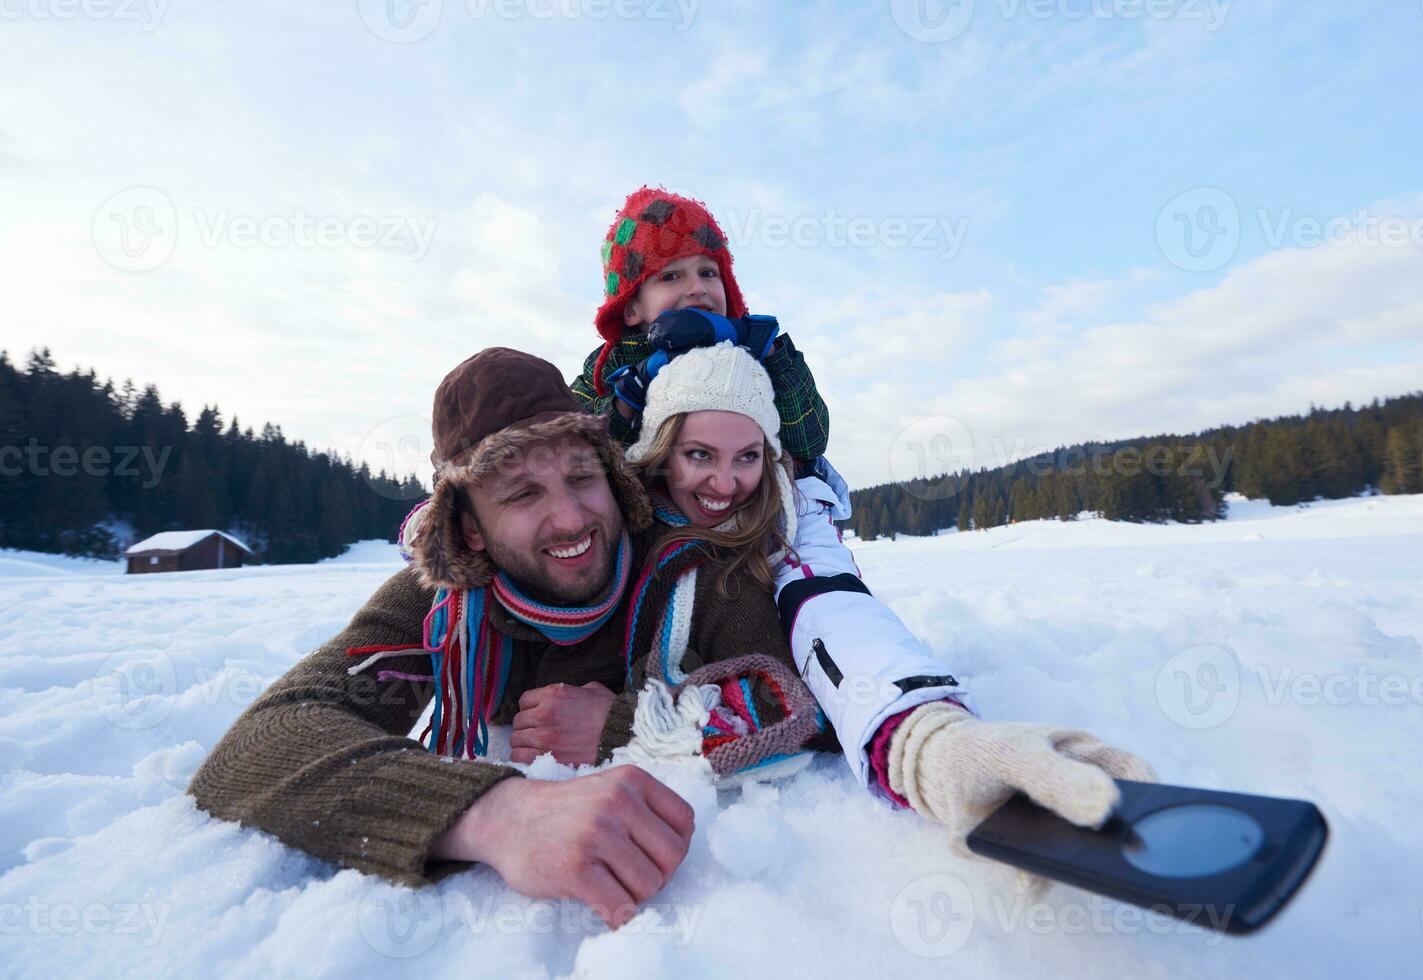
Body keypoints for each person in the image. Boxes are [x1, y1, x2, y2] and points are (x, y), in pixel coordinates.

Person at [187, 347, 835, 929]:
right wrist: (497, 814)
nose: (571, 517)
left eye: (583, 477)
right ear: (470, 529)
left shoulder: (694, 570)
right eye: (523, 492)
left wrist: (627, 726)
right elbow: (267, 737)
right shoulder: (444, 601)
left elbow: (788, 702)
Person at [545, 340, 1158, 843]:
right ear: (660, 451)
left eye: (748, 456)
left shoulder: (752, 563)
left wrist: (927, 745)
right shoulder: (607, 523)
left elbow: (816, 662)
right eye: (699, 454)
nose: (725, 483)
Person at [567, 186, 830, 468]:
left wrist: (767, 350)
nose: (697, 288)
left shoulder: (752, 355)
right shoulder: (608, 367)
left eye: (707, 273)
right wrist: (629, 395)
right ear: (631, 308)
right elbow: (574, 450)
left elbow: (810, 440)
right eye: (671, 276)